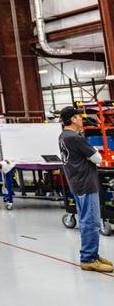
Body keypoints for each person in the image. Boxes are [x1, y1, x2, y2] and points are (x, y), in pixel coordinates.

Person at [58, 105, 111, 273]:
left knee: (85, 220)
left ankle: (91, 254)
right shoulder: (75, 138)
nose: (82, 119)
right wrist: (94, 150)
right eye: (79, 117)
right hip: (86, 184)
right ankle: (88, 258)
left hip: (77, 183)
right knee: (91, 222)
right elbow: (97, 158)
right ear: (73, 119)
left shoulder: (63, 136)